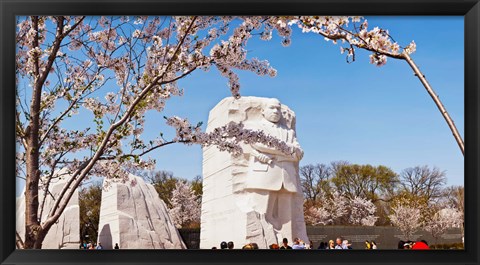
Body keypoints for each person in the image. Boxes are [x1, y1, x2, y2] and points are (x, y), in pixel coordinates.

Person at [244, 98, 305, 243]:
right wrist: (286, 151)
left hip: (287, 176)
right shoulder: (255, 126)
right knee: (261, 213)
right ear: (263, 111)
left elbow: (299, 153)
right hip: (264, 175)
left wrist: (278, 152)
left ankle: (288, 242)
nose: (276, 111)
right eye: (272, 108)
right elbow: (258, 144)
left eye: (278, 109)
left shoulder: (289, 132)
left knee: (287, 217)